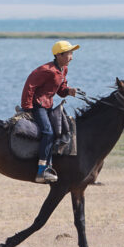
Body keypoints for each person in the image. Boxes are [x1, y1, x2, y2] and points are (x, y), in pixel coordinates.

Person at [21, 40, 79, 183]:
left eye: (72, 53)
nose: (71, 57)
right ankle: (41, 170)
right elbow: (29, 86)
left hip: (48, 105)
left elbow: (60, 89)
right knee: (48, 132)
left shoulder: (63, 69)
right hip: (37, 105)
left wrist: (68, 91)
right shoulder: (46, 70)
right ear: (59, 55)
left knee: (62, 130)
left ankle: (52, 165)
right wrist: (27, 107)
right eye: (69, 54)